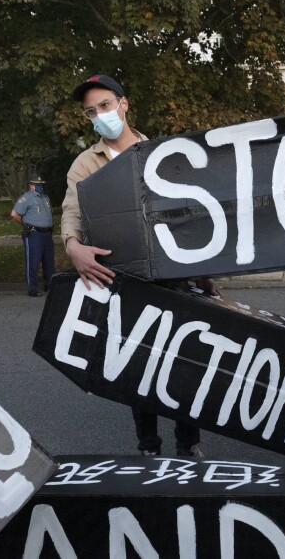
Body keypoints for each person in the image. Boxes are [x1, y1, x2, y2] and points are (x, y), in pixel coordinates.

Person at [62, 74, 207, 456]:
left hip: (173, 275)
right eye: (91, 112)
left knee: (182, 360)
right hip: (123, 278)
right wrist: (73, 246)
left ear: (124, 104)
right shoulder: (85, 163)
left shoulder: (161, 153)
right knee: (138, 363)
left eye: (106, 105)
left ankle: (188, 444)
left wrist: (204, 273)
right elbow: (72, 212)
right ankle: (148, 445)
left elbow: (189, 215)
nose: (100, 115)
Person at [11, 173, 55, 297]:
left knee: (49, 261)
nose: (40, 186)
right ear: (31, 185)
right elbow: (14, 214)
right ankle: (32, 289)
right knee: (33, 262)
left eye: (41, 184)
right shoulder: (26, 198)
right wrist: (26, 225)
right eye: (37, 184)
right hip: (34, 234)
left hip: (47, 234)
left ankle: (49, 285)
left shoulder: (45, 197)